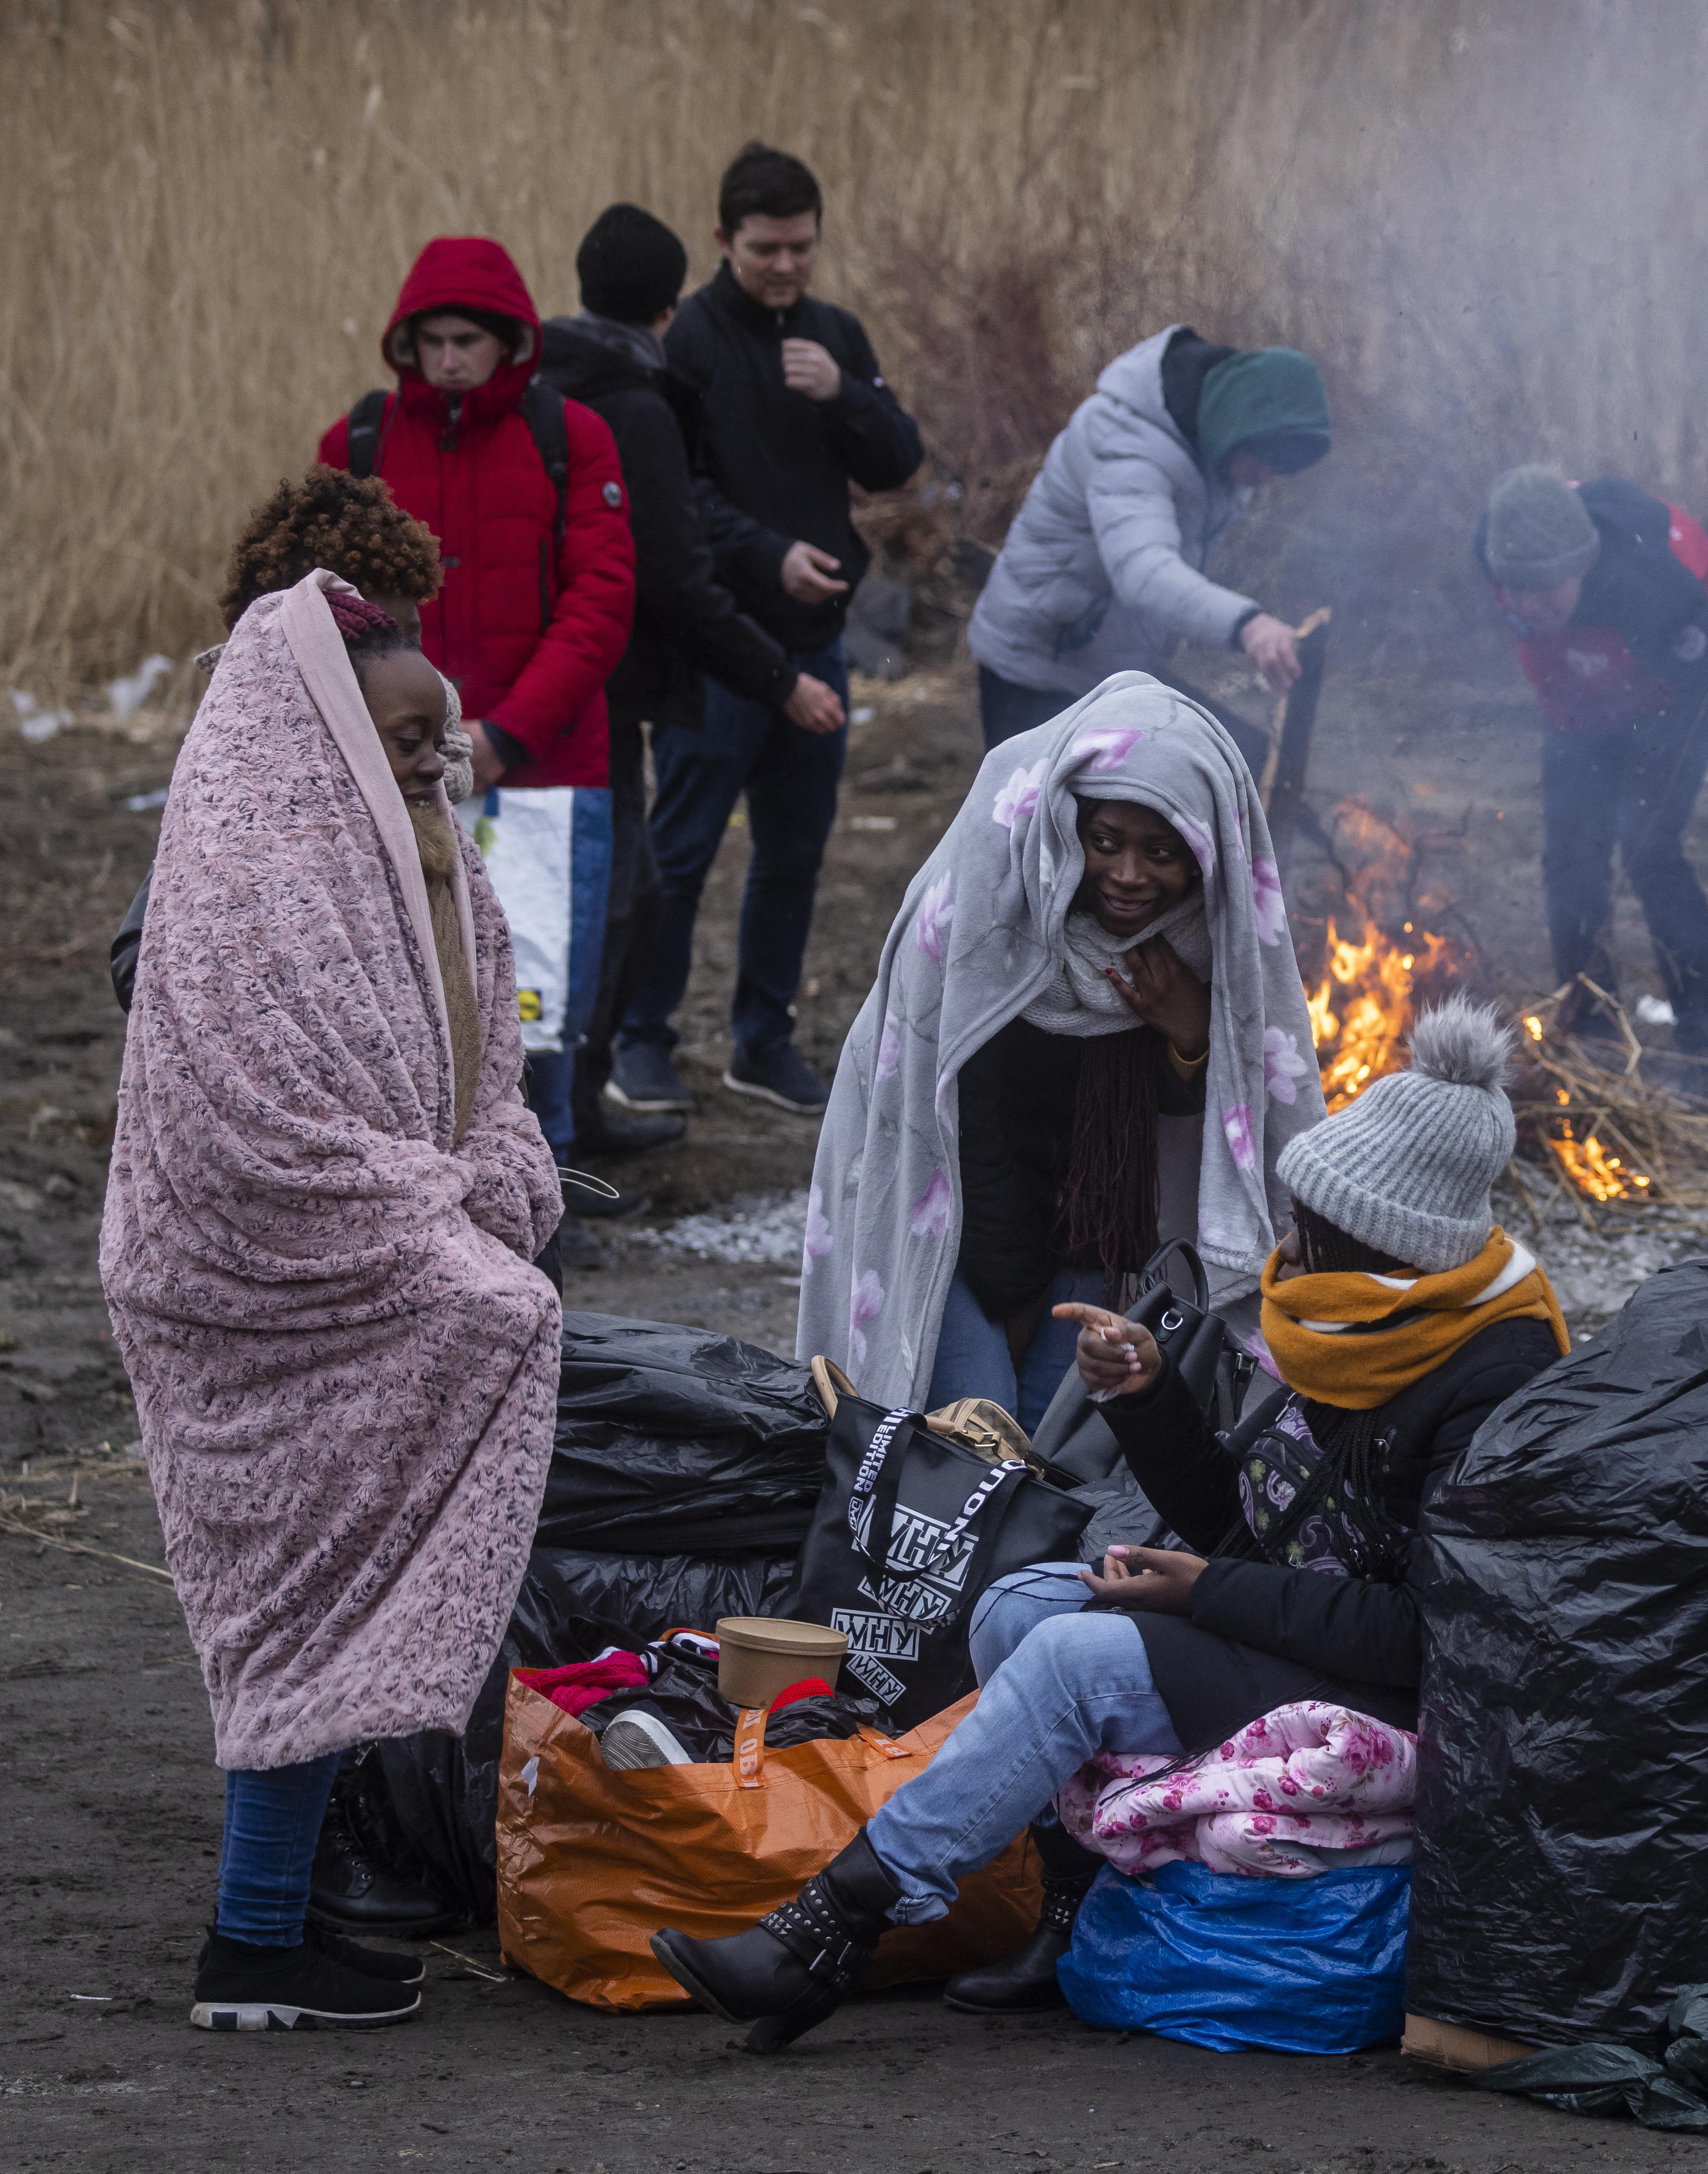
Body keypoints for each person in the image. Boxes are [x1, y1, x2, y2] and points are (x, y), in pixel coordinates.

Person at [652, 994, 1565, 2047]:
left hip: (1392, 1691)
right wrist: (1144, 1398)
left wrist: (1201, 1590)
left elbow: (1423, 1631)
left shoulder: (1492, 1375)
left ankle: (828, 1929)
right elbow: (1243, 1522)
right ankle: (1070, 1913)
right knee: (1013, 1610)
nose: (1290, 1250)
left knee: (1074, 1663)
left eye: (1318, 1234)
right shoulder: (1346, 1325)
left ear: (1390, 1247)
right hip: (1293, 1629)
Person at [105, 573, 563, 2031]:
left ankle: (272, 1928)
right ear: (320, 735)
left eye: (440, 733)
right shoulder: (249, 878)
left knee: (316, 1607)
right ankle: (254, 1941)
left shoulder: (414, 855)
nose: (431, 758)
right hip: (256, 1290)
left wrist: (494, 1165)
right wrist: (437, 1222)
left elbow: (482, 1038)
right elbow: (245, 1119)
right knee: (298, 1605)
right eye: (402, 735)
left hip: (370, 1259)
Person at [791, 673, 1325, 1414]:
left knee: (1059, 1463)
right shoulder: (985, 923)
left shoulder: (1199, 945)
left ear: (1203, 854)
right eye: (1104, 842)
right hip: (946, 1232)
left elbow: (1182, 1135)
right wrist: (1014, 1299)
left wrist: (1195, 1035)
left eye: (1161, 852)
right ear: (1064, 826)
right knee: (969, 1436)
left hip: (1092, 1239)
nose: (1129, 877)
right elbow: (959, 1132)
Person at [611, 143, 922, 1121]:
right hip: (717, 645)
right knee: (683, 847)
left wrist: (848, 393)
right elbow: (677, 498)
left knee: (796, 851)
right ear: (722, 242)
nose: (785, 266)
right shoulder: (689, 342)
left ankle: (763, 1039)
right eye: (764, 250)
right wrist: (767, 552)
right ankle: (639, 1038)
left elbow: (899, 459)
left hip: (816, 643)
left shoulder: (834, 336)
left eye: (800, 247)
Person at [314, 236, 637, 1170]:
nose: (449, 359)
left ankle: (550, 1167)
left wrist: (505, 734)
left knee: (533, 981)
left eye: (468, 340)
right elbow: (320, 599)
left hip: (541, 766)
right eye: (432, 342)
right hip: (391, 765)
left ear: (508, 344)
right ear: (406, 346)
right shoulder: (359, 443)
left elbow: (599, 599)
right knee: (399, 968)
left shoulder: (572, 439)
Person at [538, 203, 849, 1163]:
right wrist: (779, 678)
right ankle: (570, 1118)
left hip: (556, 692)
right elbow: (675, 576)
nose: (787, 263)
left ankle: (578, 1110)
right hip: (607, 694)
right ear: (672, 303)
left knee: (596, 894)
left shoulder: (546, 380)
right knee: (617, 896)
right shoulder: (635, 402)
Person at [1473, 465, 1708, 1113]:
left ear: (1582, 567)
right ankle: (1592, 1050)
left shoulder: (1654, 589)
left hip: (1677, 688)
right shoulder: (1497, 548)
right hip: (1582, 703)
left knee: (1646, 848)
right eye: (1517, 590)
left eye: (1544, 592)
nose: (1527, 607)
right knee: (1570, 864)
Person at [109, 472, 453, 1013]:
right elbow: (141, 966)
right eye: (380, 638)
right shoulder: (238, 791)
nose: (408, 661)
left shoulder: (427, 772)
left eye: (410, 636)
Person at [963, 325, 1332, 756]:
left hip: (1109, 664)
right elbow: (1143, 572)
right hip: (1038, 665)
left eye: (1281, 470)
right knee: (1029, 817)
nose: (1266, 479)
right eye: (1267, 460)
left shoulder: (1216, 450)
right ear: (1239, 422)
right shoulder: (1126, 441)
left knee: (1229, 759)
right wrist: (1248, 625)